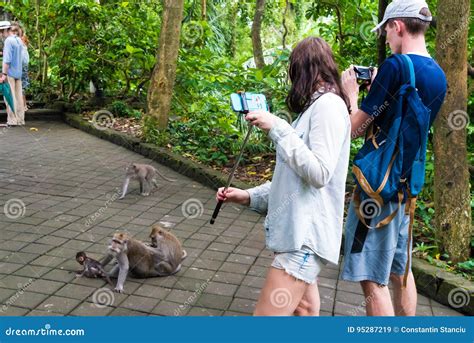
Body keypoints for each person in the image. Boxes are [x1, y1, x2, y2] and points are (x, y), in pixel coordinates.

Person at [215, 37, 351, 316]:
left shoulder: (329, 107)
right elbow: (293, 182)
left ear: (302, 70)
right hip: (297, 236)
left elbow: (320, 173)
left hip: (305, 239)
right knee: (305, 312)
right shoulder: (311, 111)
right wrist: (247, 196)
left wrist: (277, 126)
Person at [340, 0, 447, 316]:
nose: (386, 37)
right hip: (406, 190)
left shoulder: (395, 67)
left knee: (372, 278)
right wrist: (380, 91)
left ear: (398, 25)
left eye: (386, 29)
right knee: (401, 272)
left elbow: (352, 129)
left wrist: (352, 95)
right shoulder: (438, 75)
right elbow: (402, 124)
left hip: (377, 190)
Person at [0, 20, 24, 126]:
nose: (0, 35)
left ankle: (12, 120)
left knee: (10, 97)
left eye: (1, 32)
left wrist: (3, 74)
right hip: (18, 72)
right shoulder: (18, 39)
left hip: (9, 73)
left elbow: (7, 60)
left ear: (4, 30)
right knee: (18, 96)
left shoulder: (8, 41)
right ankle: (20, 120)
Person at [16, 23, 29, 112]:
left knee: (21, 88)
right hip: (22, 66)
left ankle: (23, 106)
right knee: (21, 88)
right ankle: (23, 106)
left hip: (22, 67)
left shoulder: (22, 43)